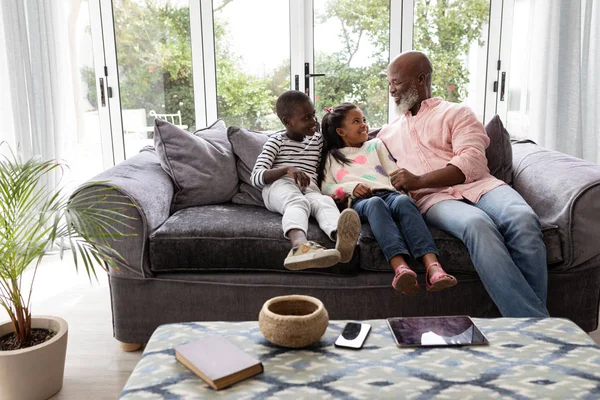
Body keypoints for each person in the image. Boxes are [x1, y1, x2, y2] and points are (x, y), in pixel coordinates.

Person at [379, 50, 549, 317]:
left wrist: (418, 180)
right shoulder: (387, 134)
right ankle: (538, 329)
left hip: (482, 186)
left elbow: (472, 162)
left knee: (523, 218)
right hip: (435, 200)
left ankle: (528, 330)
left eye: (396, 82)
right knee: (477, 224)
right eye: (388, 83)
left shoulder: (456, 112)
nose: (391, 89)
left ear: (421, 79)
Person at [319, 103, 457, 295]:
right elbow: (326, 187)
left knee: (404, 202)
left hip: (389, 193)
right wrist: (351, 188)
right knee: (375, 204)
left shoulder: (376, 145)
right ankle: (400, 268)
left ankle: (434, 268)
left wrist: (404, 192)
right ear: (341, 131)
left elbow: (394, 173)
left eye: (364, 120)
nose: (364, 125)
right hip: (363, 202)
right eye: (356, 121)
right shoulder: (332, 157)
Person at [251, 90, 361, 270]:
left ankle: (340, 241)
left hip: (308, 187)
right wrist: (287, 170)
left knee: (323, 201)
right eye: (306, 118)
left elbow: (336, 139)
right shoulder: (276, 141)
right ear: (288, 122)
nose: (313, 122)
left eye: (313, 115)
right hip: (279, 186)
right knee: (297, 201)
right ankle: (299, 247)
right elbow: (256, 177)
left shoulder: (316, 140)